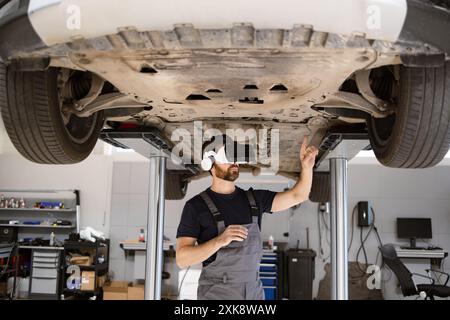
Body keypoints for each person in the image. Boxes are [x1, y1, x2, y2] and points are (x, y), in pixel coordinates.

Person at [176, 134, 319, 300]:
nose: (234, 163)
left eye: (235, 157)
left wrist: (307, 168)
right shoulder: (195, 207)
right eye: (227, 156)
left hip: (253, 293)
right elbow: (182, 259)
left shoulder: (254, 199)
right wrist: (219, 241)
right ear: (209, 163)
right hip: (217, 294)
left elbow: (298, 196)